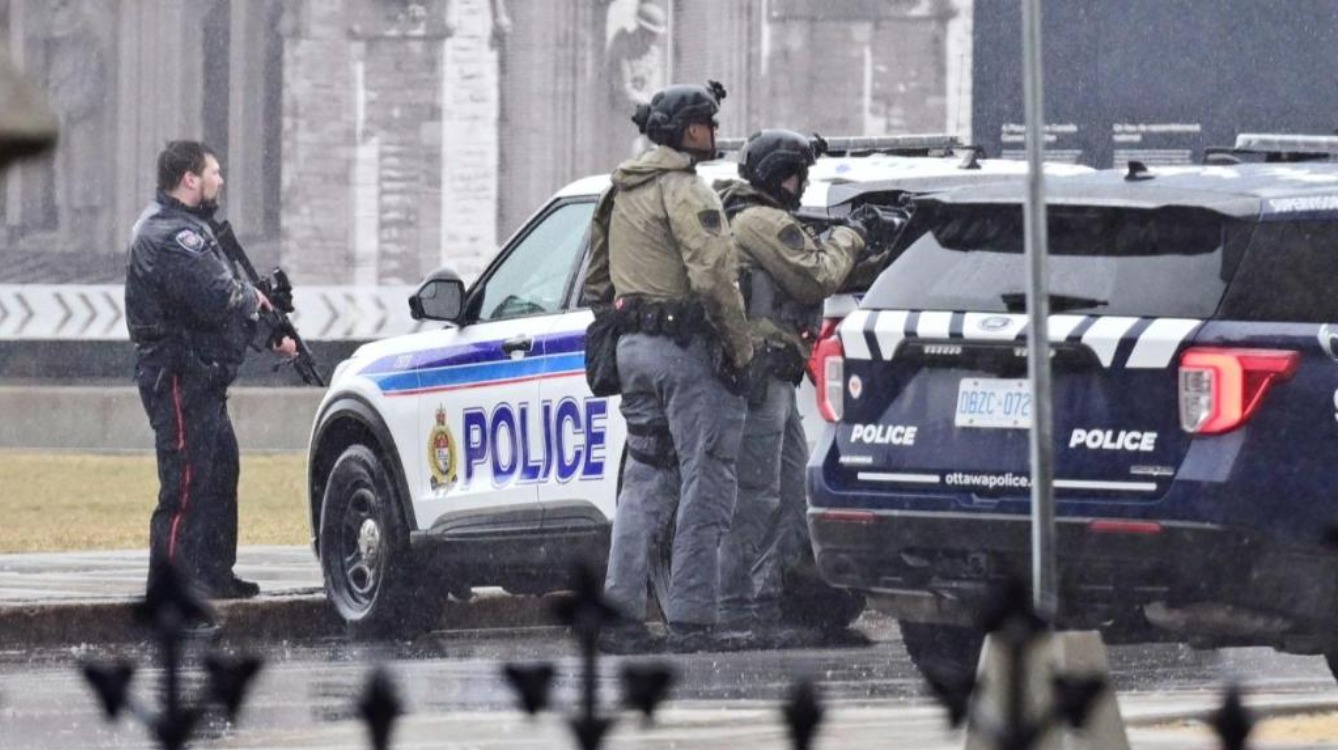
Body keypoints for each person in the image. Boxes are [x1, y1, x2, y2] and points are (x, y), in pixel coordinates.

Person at [583, 81, 754, 654]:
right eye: (705, 123)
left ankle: (620, 612)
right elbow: (713, 276)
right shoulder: (686, 190)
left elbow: (596, 283)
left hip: (634, 351)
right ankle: (692, 617)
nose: (713, 132)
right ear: (684, 131)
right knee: (708, 478)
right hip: (687, 353)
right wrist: (741, 349)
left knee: (644, 480)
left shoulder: (620, 190)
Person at [714, 129, 894, 647]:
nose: (802, 184)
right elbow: (816, 276)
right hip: (761, 377)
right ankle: (735, 607)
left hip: (777, 377)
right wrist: (853, 232)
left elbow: (826, 274)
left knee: (791, 497)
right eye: (797, 174)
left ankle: (764, 600)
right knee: (757, 496)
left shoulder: (760, 219)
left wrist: (873, 252)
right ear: (777, 175)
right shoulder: (760, 221)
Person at [124, 141, 296, 600]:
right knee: (185, 483)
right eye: (214, 172)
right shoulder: (170, 234)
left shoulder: (190, 229)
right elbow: (218, 296)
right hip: (178, 376)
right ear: (189, 179)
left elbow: (224, 299)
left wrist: (269, 331)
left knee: (220, 474)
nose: (220, 180)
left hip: (203, 378)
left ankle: (212, 574)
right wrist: (250, 298)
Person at [603, 1, 667, 162]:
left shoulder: (654, 54)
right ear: (640, 28)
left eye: (656, 34)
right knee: (629, 161)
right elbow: (623, 89)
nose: (654, 38)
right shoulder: (623, 45)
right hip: (624, 118)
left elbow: (656, 90)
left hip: (647, 120)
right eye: (650, 33)